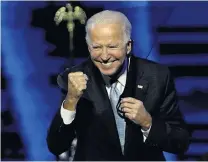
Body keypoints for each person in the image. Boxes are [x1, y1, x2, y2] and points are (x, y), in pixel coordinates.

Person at [47, 10, 191, 161]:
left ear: (128, 46)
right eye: (96, 47)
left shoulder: (157, 76)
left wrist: (147, 122)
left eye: (112, 47)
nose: (104, 56)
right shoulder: (74, 79)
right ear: (88, 47)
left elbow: (180, 143)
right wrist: (70, 101)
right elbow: (56, 146)